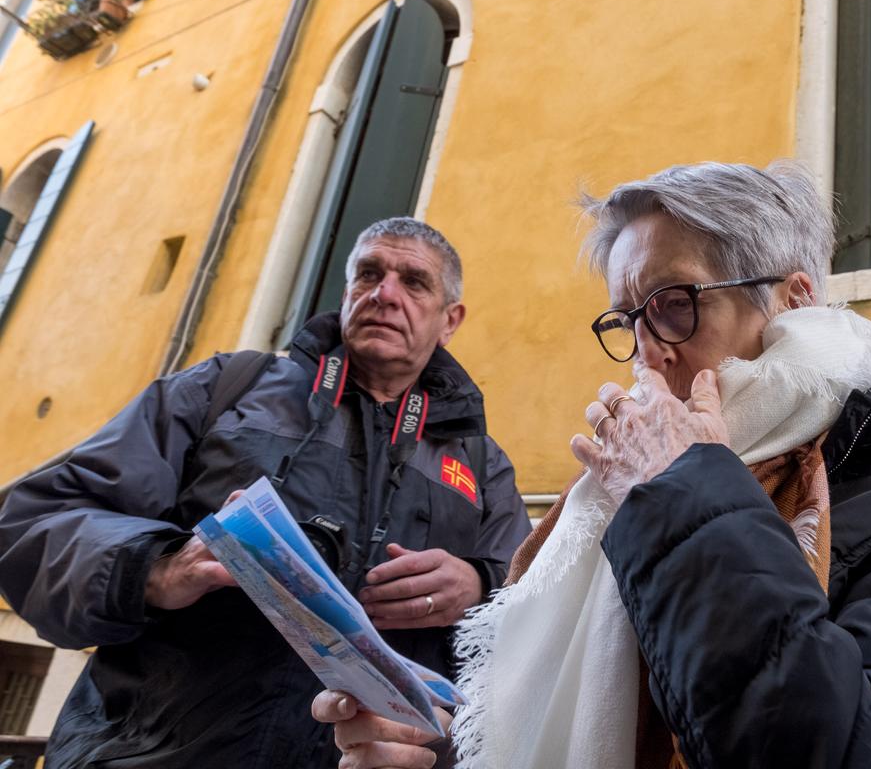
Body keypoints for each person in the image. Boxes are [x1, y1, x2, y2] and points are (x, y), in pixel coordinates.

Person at [316, 162, 871, 768]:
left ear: (793, 302)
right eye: (628, 320)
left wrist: (686, 493)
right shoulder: (611, 503)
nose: (648, 354)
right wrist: (437, 751)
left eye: (675, 304)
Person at [0, 217, 532, 768]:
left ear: (451, 320)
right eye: (368, 274)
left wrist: (478, 584)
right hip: (149, 755)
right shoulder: (227, 388)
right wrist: (158, 567)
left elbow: (534, 614)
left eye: (414, 282)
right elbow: (37, 522)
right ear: (347, 291)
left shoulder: (482, 464)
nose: (384, 294)